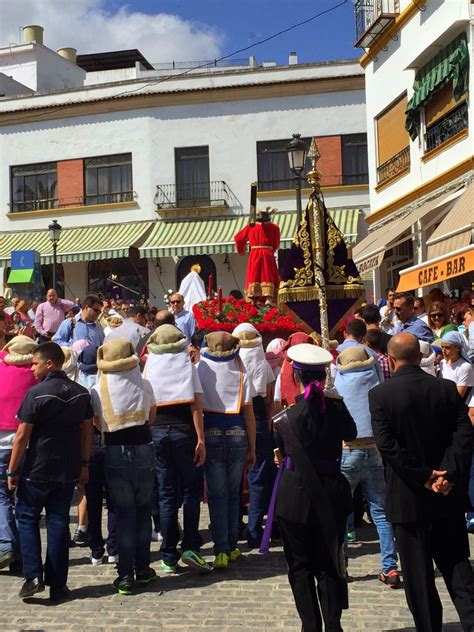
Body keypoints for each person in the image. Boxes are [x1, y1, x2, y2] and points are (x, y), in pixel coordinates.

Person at [369, 333, 474, 631]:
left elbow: (388, 446)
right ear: (420, 356)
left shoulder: (381, 395)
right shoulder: (445, 389)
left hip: (408, 497)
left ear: (391, 359)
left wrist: (424, 476)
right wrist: (447, 474)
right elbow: (464, 436)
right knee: (457, 567)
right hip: (446, 494)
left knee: (418, 578)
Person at [272, 343, 357, 631]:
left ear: (296, 377)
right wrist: (337, 400)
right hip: (331, 494)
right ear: (323, 377)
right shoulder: (335, 408)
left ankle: (310, 626)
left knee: (299, 566)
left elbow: (281, 451)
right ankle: (334, 625)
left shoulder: (286, 417)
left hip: (294, 497)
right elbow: (352, 433)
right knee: (330, 563)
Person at [7, 342, 94, 601]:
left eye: (34, 363)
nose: (31, 368)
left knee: (27, 518)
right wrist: (84, 462)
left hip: (38, 466)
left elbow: (22, 435)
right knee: (58, 522)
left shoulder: (37, 393)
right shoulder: (81, 393)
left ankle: (33, 575)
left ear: (49, 363)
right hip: (67, 467)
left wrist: (12, 470)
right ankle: (58, 583)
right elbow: (88, 430)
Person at [91, 339, 157, 595]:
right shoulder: (144, 383)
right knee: (143, 510)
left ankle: (125, 575)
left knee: (124, 512)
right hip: (143, 446)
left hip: (115, 450)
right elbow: (152, 416)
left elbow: (97, 423)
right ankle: (142, 568)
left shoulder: (98, 388)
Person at [144, 324, 211, 573]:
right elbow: (196, 406)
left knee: (166, 493)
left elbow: (148, 404)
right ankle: (191, 544)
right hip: (185, 432)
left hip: (158, 432)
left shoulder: (150, 366)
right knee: (192, 490)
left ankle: (168, 553)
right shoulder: (187, 366)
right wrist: (200, 439)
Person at [334, 346, 400, 587]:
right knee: (381, 513)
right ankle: (390, 567)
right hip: (374, 450)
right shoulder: (377, 383)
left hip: (347, 451)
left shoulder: (338, 386)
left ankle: (342, 568)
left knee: (341, 512)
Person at [197, 332, 256, 568]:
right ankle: (231, 545)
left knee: (217, 495)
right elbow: (249, 414)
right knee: (233, 493)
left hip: (210, 430)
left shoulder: (200, 368)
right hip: (237, 432)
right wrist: (253, 447)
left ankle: (221, 548)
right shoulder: (240, 369)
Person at [232, 323, 276, 549]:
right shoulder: (264, 366)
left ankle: (234, 525)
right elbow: (269, 399)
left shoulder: (232, 365)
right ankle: (254, 528)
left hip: (236, 418)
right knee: (258, 476)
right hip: (257, 420)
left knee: (234, 475)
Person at [0, 336, 38, 570]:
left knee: (2, 497)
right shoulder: (36, 374)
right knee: (25, 501)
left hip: (2, 442)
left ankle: (6, 544)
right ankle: (22, 554)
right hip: (28, 444)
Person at [53, 295, 104, 389]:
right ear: (86, 307)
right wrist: (73, 347)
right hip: (75, 370)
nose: (98, 314)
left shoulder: (98, 327)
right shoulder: (70, 323)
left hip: (94, 370)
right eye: (96, 310)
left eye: (100, 311)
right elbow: (57, 341)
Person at [234, 207, 280, 303]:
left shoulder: (251, 226)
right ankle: (269, 298)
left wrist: (241, 251)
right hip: (268, 253)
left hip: (255, 253)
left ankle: (254, 299)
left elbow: (238, 238)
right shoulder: (274, 227)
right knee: (268, 274)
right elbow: (276, 243)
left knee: (254, 274)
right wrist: (271, 249)